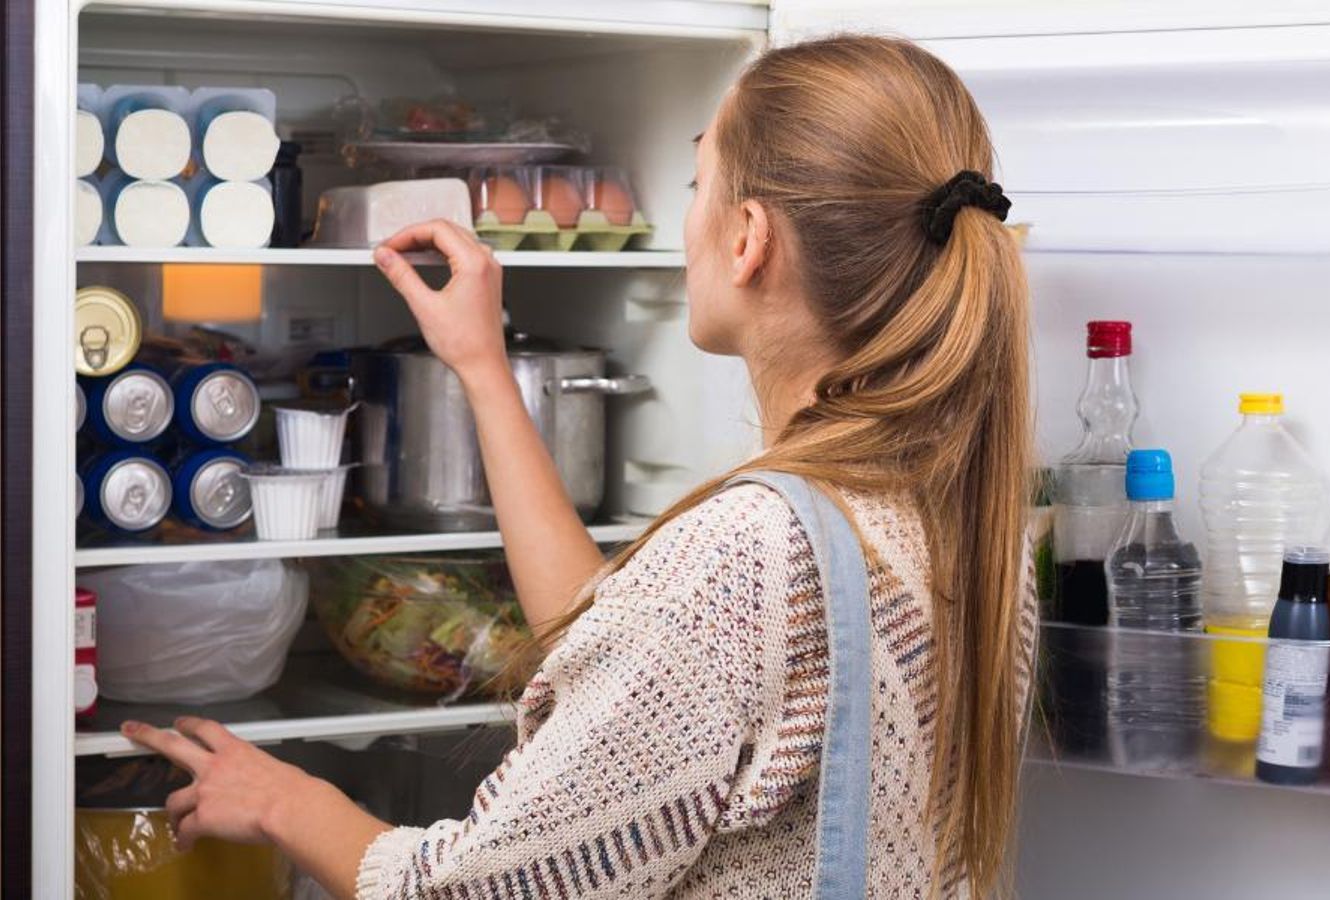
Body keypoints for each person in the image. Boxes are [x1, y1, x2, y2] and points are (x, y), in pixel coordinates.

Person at [124, 34, 1036, 899]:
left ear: (748, 238)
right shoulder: (957, 516)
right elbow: (628, 665)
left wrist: (288, 801)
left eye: (695, 181)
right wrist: (483, 367)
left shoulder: (746, 555)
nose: (687, 217)